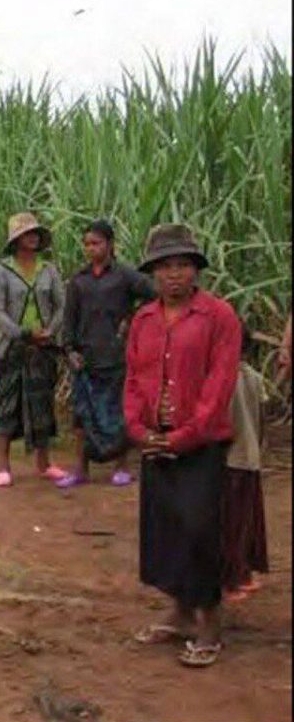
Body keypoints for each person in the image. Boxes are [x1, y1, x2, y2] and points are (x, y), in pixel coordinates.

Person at [126, 224, 240, 668]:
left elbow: (219, 385)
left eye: (183, 265)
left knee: (199, 530)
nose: (174, 274)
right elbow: (133, 379)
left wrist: (183, 436)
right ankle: (178, 613)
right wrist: (138, 429)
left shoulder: (219, 317)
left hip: (200, 443)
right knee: (164, 529)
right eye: (165, 266)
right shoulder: (144, 320)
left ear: (196, 270)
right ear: (153, 273)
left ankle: (209, 621)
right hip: (156, 439)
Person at [55, 220, 155, 488]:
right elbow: (69, 319)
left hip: (115, 356)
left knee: (117, 412)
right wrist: (69, 350)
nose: (90, 248)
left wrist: (132, 319)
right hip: (85, 356)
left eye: (96, 243)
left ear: (110, 245)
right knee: (82, 416)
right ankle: (80, 468)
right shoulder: (79, 280)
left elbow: (154, 293)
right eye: (86, 244)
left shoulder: (124, 276)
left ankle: (120, 467)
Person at [0, 212, 66, 487]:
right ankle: (2, 466)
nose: (32, 237)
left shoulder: (49, 270)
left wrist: (50, 331)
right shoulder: (2, 271)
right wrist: (22, 333)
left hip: (43, 348)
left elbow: (60, 306)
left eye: (35, 233)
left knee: (43, 402)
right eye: (26, 233)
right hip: (13, 348)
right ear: (16, 240)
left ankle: (44, 463)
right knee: (7, 403)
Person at [221, 329, 268, 601]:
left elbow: (223, 424)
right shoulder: (253, 376)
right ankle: (244, 574)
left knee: (230, 524)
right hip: (250, 458)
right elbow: (260, 421)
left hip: (231, 460)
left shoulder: (223, 378)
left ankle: (231, 581)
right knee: (247, 521)